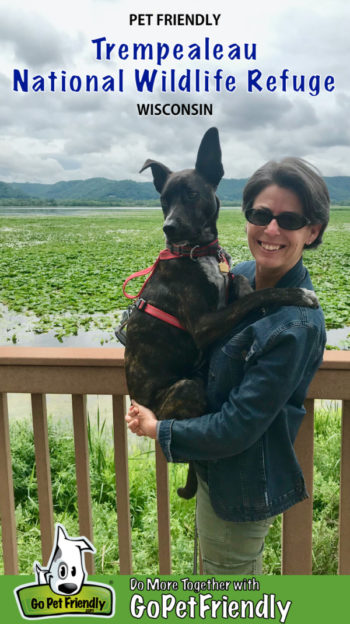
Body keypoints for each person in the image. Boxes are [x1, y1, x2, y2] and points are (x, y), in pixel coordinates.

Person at [125, 157, 329, 574]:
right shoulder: (237, 273)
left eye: (289, 219)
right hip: (211, 468)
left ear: (313, 231)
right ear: (246, 217)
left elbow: (238, 426)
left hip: (239, 484)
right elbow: (195, 331)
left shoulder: (298, 324)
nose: (271, 229)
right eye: (260, 214)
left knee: (229, 592)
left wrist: (156, 429)